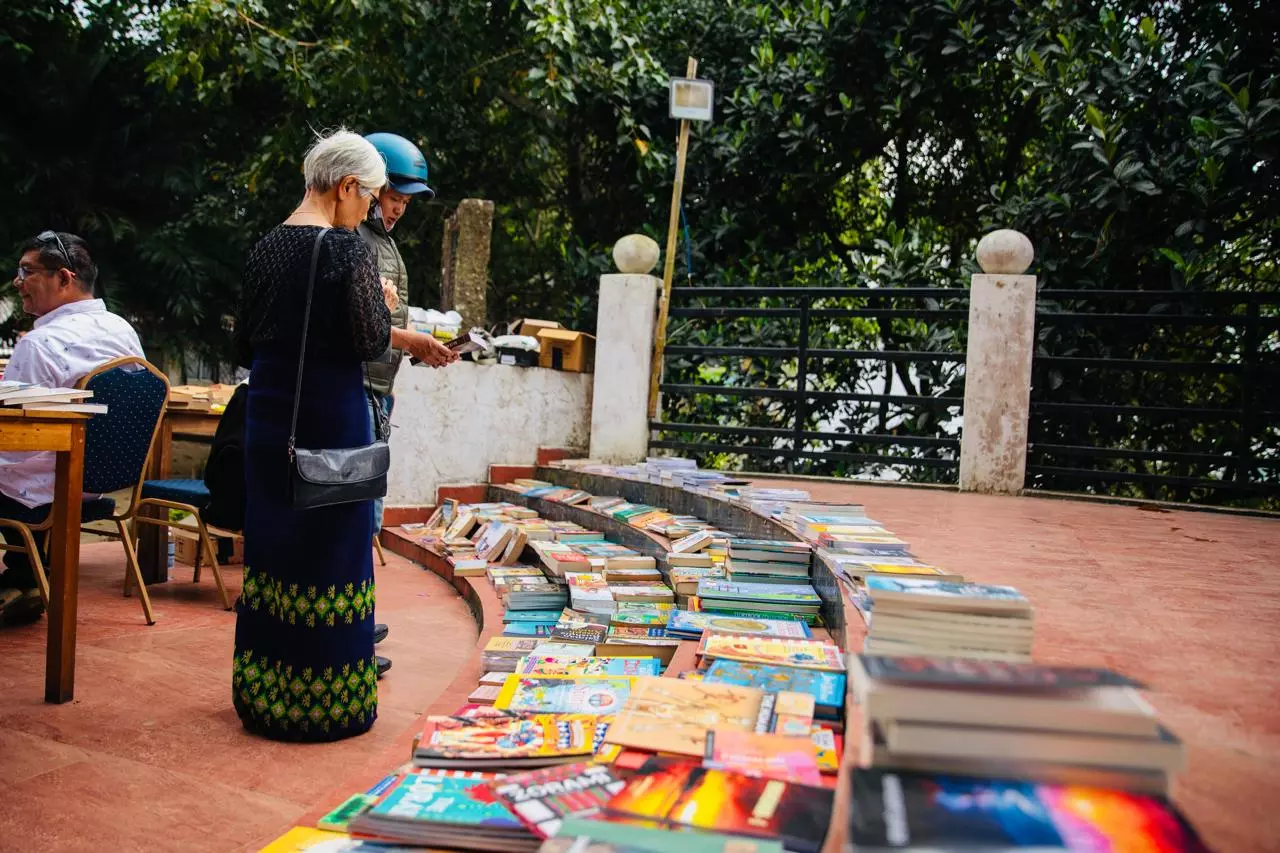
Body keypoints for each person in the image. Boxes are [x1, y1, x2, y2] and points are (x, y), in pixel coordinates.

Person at [232, 129, 394, 742]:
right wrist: (380, 300)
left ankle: (264, 694)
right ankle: (326, 704)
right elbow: (369, 341)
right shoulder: (348, 252)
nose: (370, 211)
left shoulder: (265, 247)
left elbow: (243, 344)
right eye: (370, 198)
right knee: (334, 554)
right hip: (330, 418)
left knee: (274, 552)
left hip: (270, 420)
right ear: (346, 187)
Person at [0, 232, 144, 625]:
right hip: (100, 480)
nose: (17, 281)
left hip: (44, 490)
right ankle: (24, 574)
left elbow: (15, 444)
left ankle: (26, 573)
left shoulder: (40, 344)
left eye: (26, 271)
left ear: (64, 278)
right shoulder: (122, 330)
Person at [357, 132, 457, 675]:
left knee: (368, 515)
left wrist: (424, 349)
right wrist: (410, 341)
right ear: (370, 187)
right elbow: (358, 325)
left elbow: (389, 324)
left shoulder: (387, 246)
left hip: (380, 392)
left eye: (406, 201)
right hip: (355, 392)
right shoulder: (353, 240)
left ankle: (358, 618)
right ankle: (352, 629)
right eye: (394, 196)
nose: (399, 208)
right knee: (361, 515)